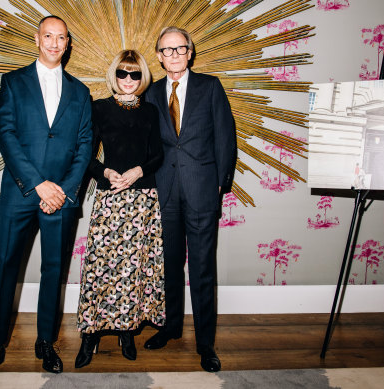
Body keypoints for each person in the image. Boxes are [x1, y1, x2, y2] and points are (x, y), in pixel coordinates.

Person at [0, 15, 93, 379]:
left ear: (68, 43)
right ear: (37, 39)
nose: (54, 43)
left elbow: (86, 145)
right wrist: (38, 184)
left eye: (61, 37)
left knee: (53, 270)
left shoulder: (81, 92)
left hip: (62, 197)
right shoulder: (12, 82)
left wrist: (64, 190)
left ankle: (46, 343)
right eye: (48, 36)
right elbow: (6, 136)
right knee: (6, 267)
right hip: (20, 192)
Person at [144, 26, 237, 372]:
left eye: (179, 49)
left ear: (190, 52)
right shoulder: (151, 93)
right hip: (164, 190)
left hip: (201, 189)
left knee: (201, 268)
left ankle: (205, 343)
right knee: (168, 265)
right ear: (158, 55)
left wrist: (219, 184)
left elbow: (226, 138)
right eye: (166, 50)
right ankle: (169, 328)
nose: (173, 56)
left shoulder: (209, 87)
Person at [75, 50, 165, 369]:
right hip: (111, 196)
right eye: (123, 74)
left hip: (142, 198)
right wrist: (105, 173)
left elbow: (157, 155)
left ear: (143, 78)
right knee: (101, 266)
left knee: (133, 268)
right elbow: (84, 152)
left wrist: (139, 170)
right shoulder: (98, 108)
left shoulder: (152, 112)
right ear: (114, 75)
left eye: (135, 75)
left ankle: (127, 330)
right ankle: (91, 334)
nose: (128, 80)